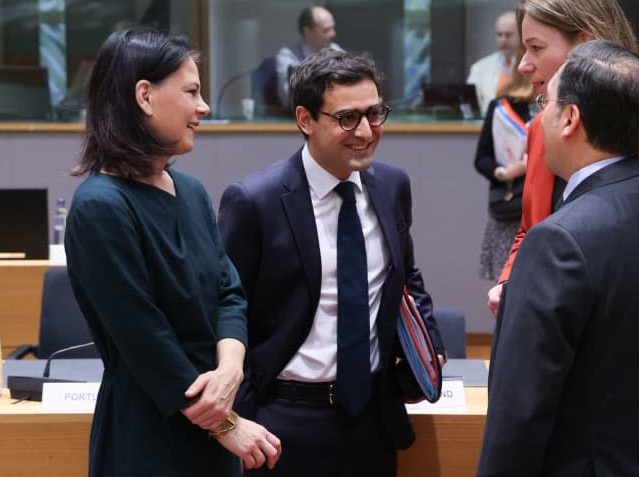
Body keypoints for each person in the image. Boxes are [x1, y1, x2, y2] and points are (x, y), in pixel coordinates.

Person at [218, 49, 445, 477]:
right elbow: (226, 308)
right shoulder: (255, 201)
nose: (366, 131)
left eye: (375, 113)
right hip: (283, 420)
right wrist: (239, 415)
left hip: (371, 420)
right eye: (347, 118)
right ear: (306, 120)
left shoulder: (392, 186)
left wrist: (429, 349)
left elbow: (406, 277)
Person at [64, 28, 281, 477]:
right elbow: (145, 339)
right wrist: (226, 425)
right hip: (149, 434)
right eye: (191, 91)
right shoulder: (100, 206)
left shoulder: (192, 191)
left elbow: (229, 293)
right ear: (144, 96)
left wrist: (230, 371)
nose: (203, 107)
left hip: (214, 415)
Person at [477, 40, 639, 476]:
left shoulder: (559, 239)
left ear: (570, 119)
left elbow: (520, 412)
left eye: (545, 103)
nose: (539, 117)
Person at [488, 0, 639, 317]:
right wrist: (509, 284)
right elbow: (530, 231)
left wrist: (557, 299)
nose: (523, 65)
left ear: (584, 47)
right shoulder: (540, 131)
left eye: (535, 48)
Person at [473, 49, 533, 281]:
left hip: (547, 212)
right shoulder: (502, 106)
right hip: (510, 212)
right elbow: (482, 158)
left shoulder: (555, 105)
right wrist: (505, 172)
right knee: (505, 291)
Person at [275, 5, 344, 107]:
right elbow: (288, 98)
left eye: (333, 28)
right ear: (308, 32)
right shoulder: (288, 56)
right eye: (326, 30)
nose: (333, 34)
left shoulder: (336, 50)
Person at [467, 11, 520, 110]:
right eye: (499, 35)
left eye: (508, 35)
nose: (503, 40)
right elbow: (470, 104)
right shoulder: (479, 68)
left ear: (521, 35)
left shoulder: (531, 65)